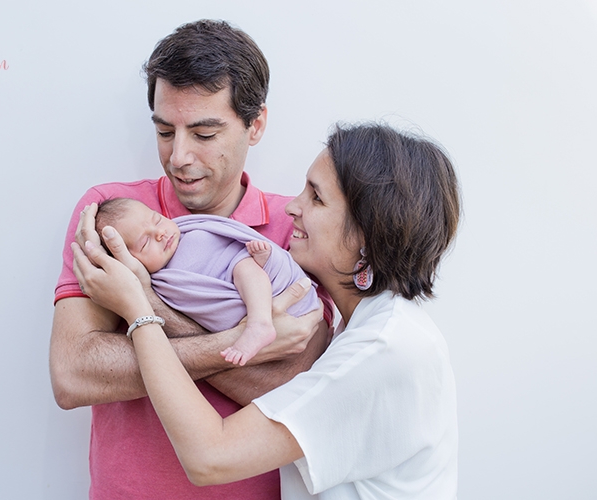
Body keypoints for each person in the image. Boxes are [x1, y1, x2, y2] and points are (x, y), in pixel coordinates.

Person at [73, 123, 461, 499]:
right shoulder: (368, 329)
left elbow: (210, 457)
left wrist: (140, 307)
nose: (292, 207)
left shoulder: (383, 349)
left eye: (316, 198)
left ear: (366, 237)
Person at [50, 19, 331, 499]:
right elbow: (74, 374)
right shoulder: (112, 218)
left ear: (256, 123)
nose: (179, 156)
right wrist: (244, 344)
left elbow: (296, 400)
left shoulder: (296, 230)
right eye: (164, 131)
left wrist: (144, 309)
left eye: (204, 133)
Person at [94, 197, 321, 365]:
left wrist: (265, 260)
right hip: (231, 288)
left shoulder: (189, 230)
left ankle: (259, 322)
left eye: (158, 219)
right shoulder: (163, 284)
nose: (160, 233)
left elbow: (231, 242)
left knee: (245, 267)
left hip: (242, 264)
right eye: (145, 243)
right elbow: (201, 312)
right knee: (242, 270)